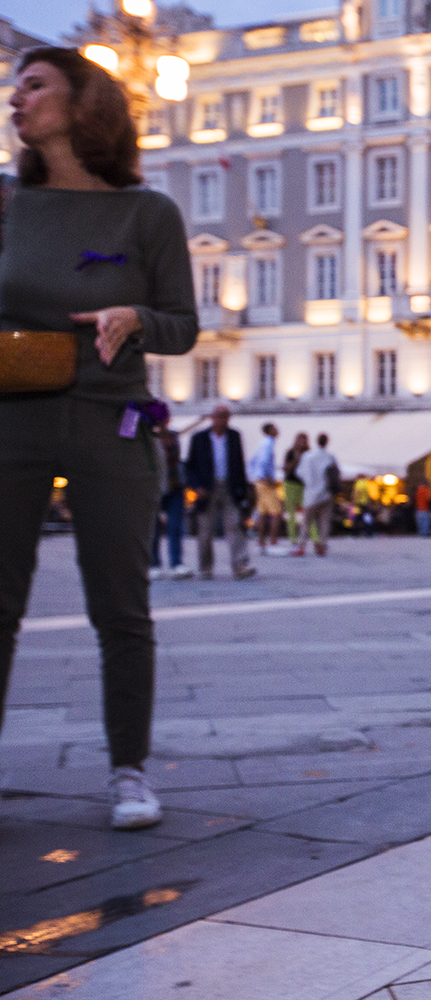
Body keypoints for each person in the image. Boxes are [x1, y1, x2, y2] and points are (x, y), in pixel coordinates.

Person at [0, 47, 198, 829]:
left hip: (111, 420)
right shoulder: (7, 205)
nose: (17, 96)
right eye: (16, 85)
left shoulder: (148, 215)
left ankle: (129, 770)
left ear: (87, 104)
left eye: (35, 83)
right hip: (10, 416)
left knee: (121, 606)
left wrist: (135, 318)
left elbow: (182, 326)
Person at [185, 405, 256, 581]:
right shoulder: (199, 438)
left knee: (234, 526)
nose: (222, 420)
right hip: (206, 487)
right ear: (212, 418)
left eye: (225, 416)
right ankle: (205, 567)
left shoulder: (234, 436)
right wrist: (196, 487)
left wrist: (243, 488)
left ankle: (240, 565)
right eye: (219, 416)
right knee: (205, 529)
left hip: (229, 486)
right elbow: (190, 466)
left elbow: (239, 463)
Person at [149, 423, 192, 580]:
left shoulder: (173, 436)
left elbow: (176, 457)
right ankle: (154, 564)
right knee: (153, 528)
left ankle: (176, 563)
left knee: (175, 526)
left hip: (174, 486)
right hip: (154, 488)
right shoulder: (148, 436)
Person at [295, 433, 339, 557]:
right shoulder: (330, 456)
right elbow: (335, 472)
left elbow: (299, 473)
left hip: (310, 493)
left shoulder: (307, 456)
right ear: (327, 442)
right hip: (326, 493)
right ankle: (322, 547)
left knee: (306, 521)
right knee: (324, 521)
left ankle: (301, 546)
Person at [247, 422, 280, 553]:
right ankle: (272, 542)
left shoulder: (262, 443)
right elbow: (264, 462)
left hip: (259, 481)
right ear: (269, 431)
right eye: (275, 428)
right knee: (276, 512)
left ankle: (261, 542)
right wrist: (268, 478)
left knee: (262, 512)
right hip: (266, 481)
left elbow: (254, 461)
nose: (277, 430)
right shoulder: (269, 443)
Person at [282, 431, 309, 552]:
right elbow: (286, 468)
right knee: (291, 513)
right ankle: (293, 540)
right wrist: (295, 462)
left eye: (304, 440)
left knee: (308, 512)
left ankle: (314, 539)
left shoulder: (308, 453)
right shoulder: (290, 452)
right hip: (291, 484)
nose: (302, 443)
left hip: (303, 485)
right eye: (300, 440)